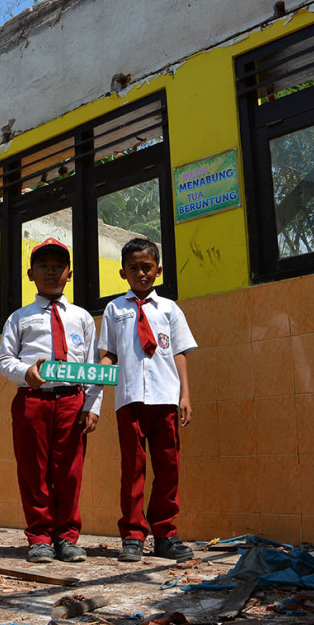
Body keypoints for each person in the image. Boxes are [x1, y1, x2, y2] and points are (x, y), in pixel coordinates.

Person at [0, 238, 103, 563]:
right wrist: (25, 372)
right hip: (32, 401)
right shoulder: (19, 318)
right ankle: (40, 537)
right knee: (33, 470)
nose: (51, 272)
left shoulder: (82, 318)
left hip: (72, 400)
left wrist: (92, 406)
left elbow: (93, 367)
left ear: (69, 274)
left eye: (58, 267)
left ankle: (67, 537)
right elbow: (3, 359)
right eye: (43, 266)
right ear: (31, 274)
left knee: (69, 471)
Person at [99, 237, 197, 562]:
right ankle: (132, 535)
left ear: (158, 271)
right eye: (133, 268)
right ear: (123, 272)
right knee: (133, 468)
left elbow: (179, 352)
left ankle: (165, 534)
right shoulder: (115, 309)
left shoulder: (170, 308)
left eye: (147, 268)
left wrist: (185, 394)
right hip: (129, 400)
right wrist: (97, 373)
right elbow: (109, 354)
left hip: (166, 398)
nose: (141, 273)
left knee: (168, 467)